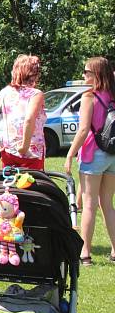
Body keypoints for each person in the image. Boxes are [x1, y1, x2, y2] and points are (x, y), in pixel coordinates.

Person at [64, 57, 115, 266]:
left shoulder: (89, 96)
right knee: (108, 204)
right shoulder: (112, 95)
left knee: (89, 204)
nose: (83, 76)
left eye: (86, 72)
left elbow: (84, 130)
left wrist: (69, 154)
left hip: (93, 154)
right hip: (112, 154)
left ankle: (84, 252)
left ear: (96, 74)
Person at [0, 55, 46, 170]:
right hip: (31, 151)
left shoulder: (6, 91)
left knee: (9, 184)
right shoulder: (36, 94)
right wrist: (24, 146)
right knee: (31, 185)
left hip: (8, 150)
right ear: (34, 74)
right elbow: (29, 119)